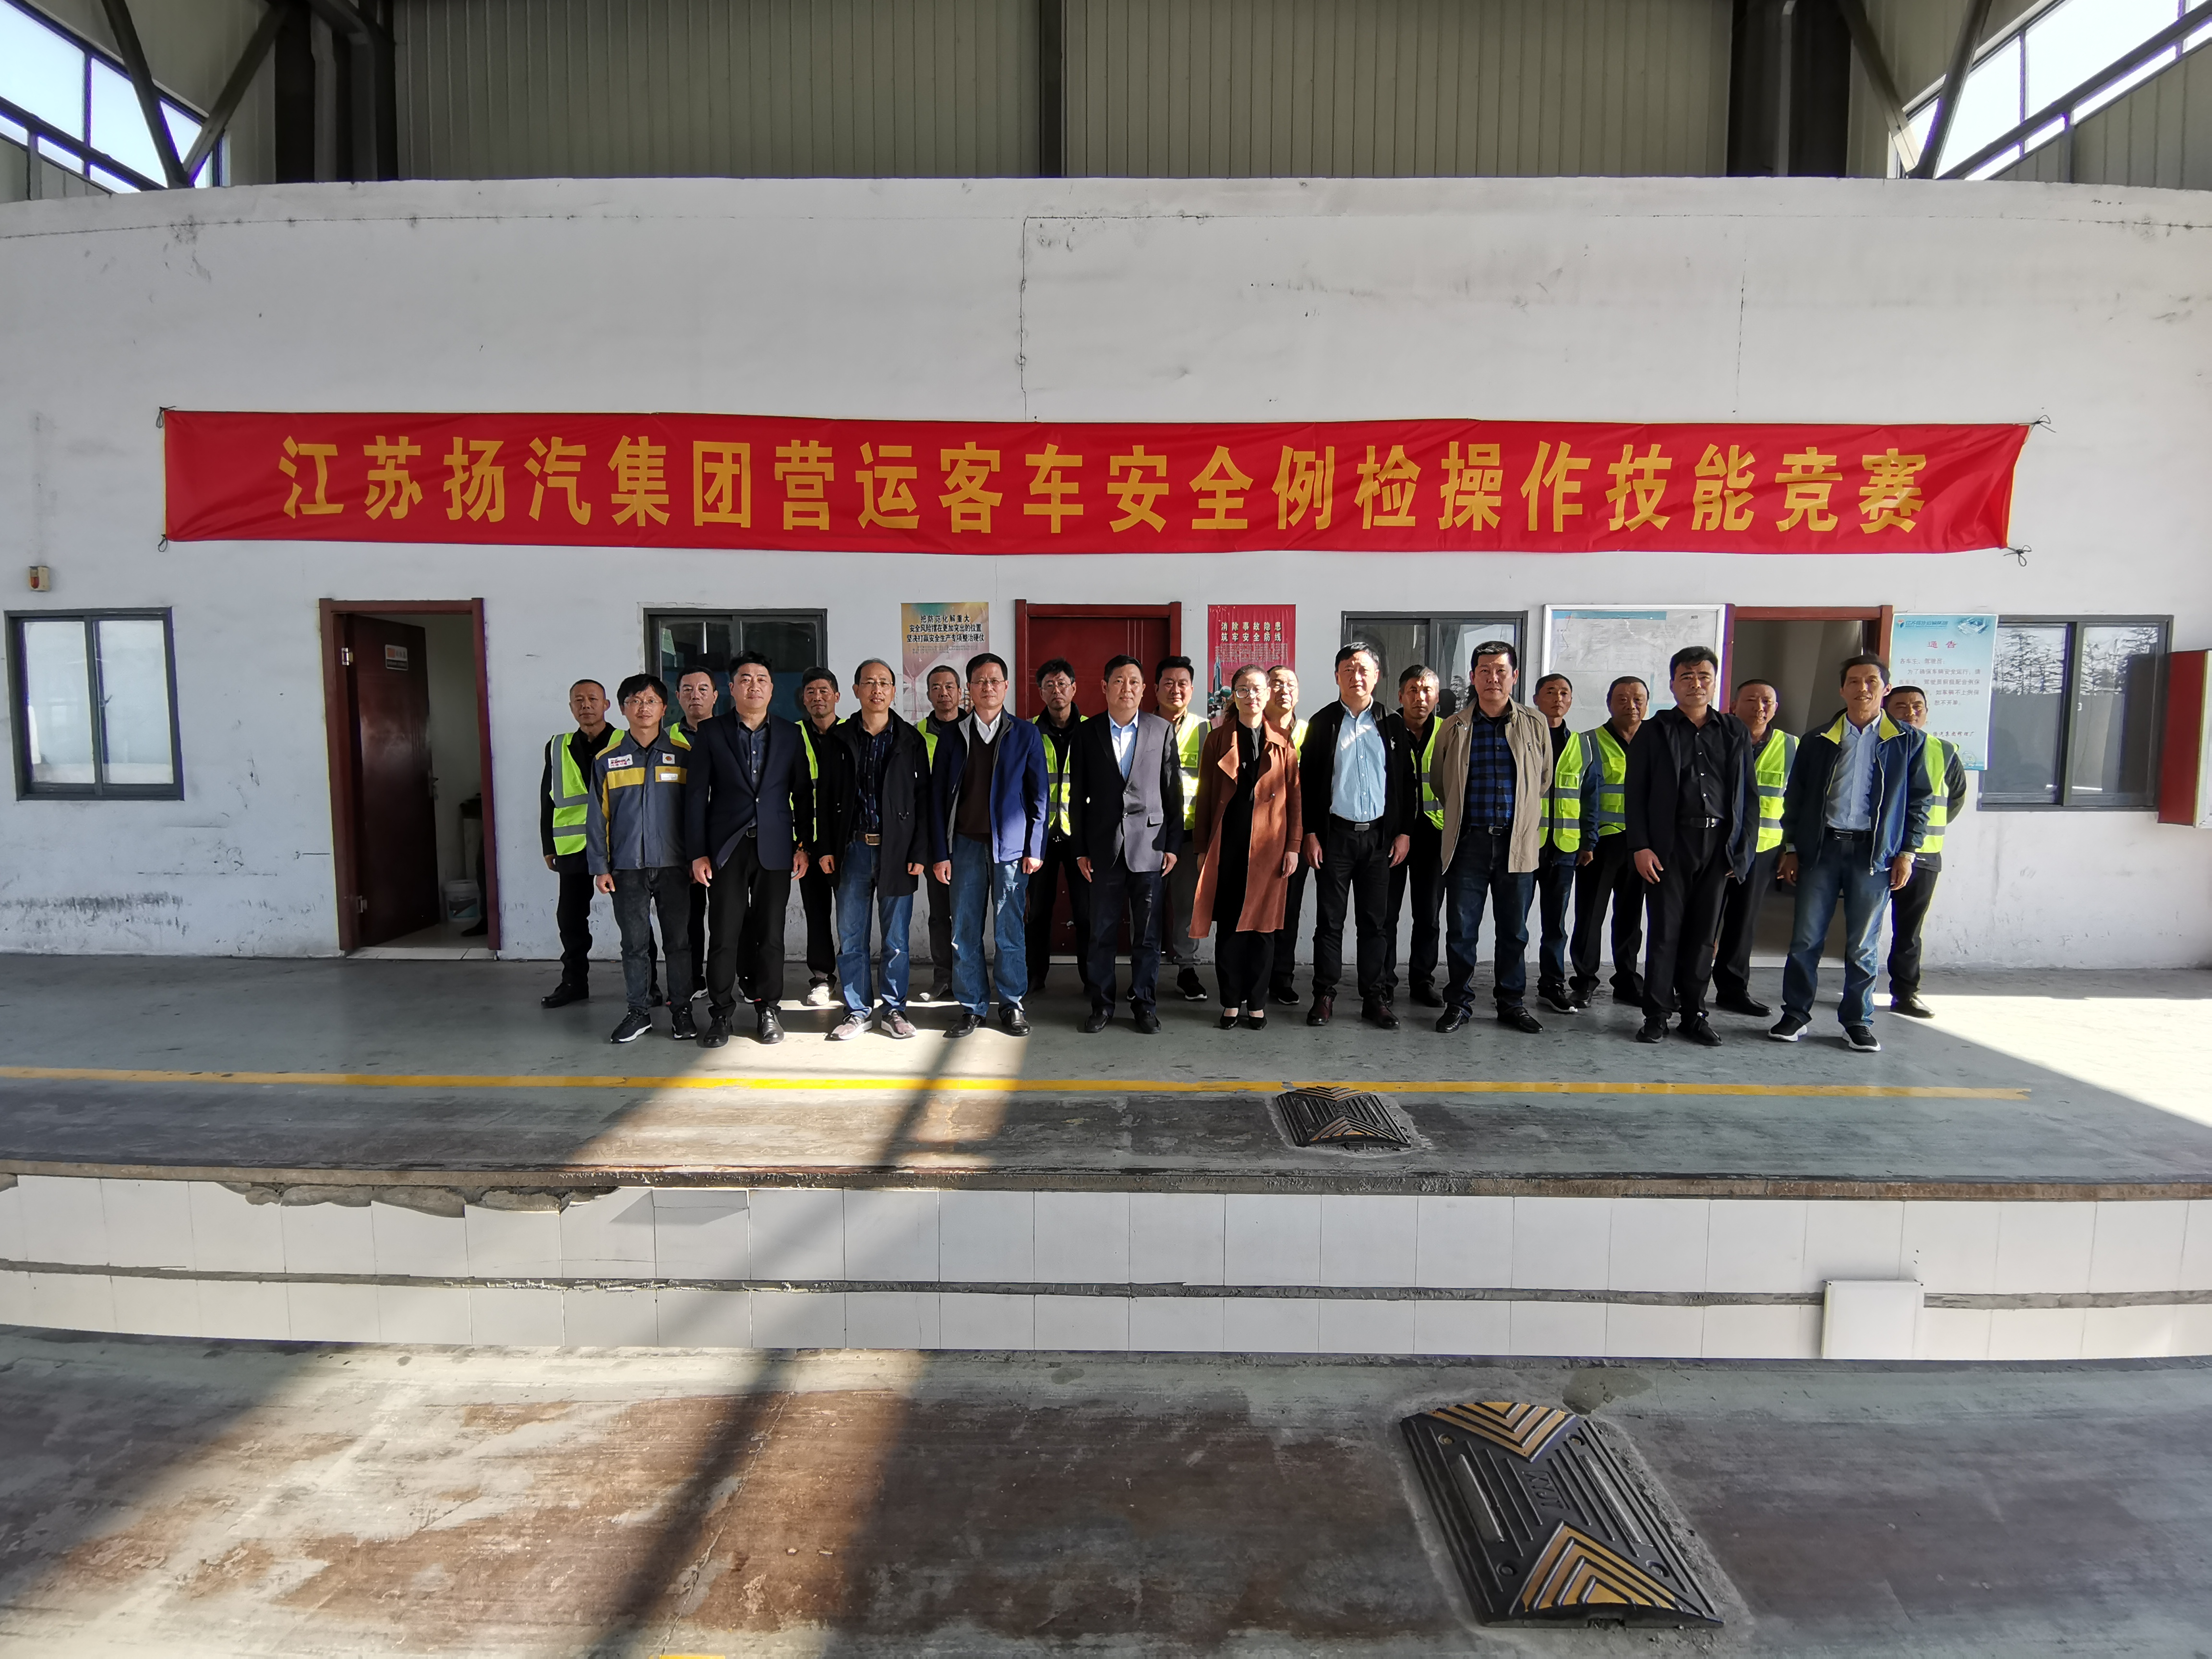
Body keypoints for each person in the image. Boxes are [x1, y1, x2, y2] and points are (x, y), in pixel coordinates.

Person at [1770, 654, 1932, 1053]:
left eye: (1872, 682)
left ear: (1885, 689)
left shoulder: (1908, 741)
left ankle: (1857, 1020)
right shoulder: (1818, 739)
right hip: (1822, 850)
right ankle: (1796, 1014)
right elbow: (1797, 797)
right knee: (1806, 939)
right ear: (1842, 689)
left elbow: (1920, 801)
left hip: (1873, 855)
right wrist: (1791, 847)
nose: (1863, 689)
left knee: (1863, 943)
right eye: (1855, 682)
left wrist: (1907, 852)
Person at [1624, 647, 1756, 1047]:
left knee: (1703, 937)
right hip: (1669, 846)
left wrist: (1741, 851)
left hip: (1717, 846)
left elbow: (1748, 797)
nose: (1696, 684)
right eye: (1687, 676)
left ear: (1715, 683)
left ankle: (1694, 1014)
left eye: (1703, 677)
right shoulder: (1654, 730)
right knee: (1665, 933)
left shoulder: (1734, 731)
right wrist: (1641, 846)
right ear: (1673, 684)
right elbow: (1636, 794)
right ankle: (1657, 1015)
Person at [685, 650, 814, 1048]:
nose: (753, 686)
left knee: (771, 935)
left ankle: (768, 1009)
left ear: (772, 689)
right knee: (724, 935)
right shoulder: (711, 732)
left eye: (761, 679)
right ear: (732, 688)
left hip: (775, 848)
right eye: (745, 679)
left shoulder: (790, 734)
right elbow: (696, 796)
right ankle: (721, 1013)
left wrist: (803, 845)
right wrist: (698, 852)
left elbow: (802, 794)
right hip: (727, 849)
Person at [1427, 641, 1552, 1035]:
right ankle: (1459, 1003)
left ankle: (1511, 1003)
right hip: (1469, 844)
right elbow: (1441, 783)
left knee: (1514, 931)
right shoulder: (1454, 726)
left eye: (1501, 670)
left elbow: (1543, 780)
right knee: (1461, 931)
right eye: (1484, 670)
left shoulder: (1535, 724)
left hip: (1517, 844)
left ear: (1514, 676)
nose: (1493, 678)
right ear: (1473, 677)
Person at [930, 652, 1048, 1038]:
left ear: (1006, 686)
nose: (988, 687)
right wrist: (940, 853)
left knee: (1009, 931)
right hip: (964, 845)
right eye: (980, 681)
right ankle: (972, 1006)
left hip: (1010, 849)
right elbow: (937, 799)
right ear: (969, 688)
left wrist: (1035, 847)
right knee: (964, 930)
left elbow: (1039, 796)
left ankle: (1012, 1004)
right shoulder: (953, 735)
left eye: (994, 680)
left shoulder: (1025, 734)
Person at [817, 659, 935, 1041]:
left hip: (897, 852)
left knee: (896, 939)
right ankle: (857, 1011)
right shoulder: (838, 738)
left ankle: (894, 1009)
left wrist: (919, 851)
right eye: (869, 682)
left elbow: (923, 800)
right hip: (852, 849)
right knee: (852, 937)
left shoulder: (910, 740)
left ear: (893, 691)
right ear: (856, 690)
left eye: (884, 683)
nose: (877, 689)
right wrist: (825, 847)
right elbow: (825, 797)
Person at [1301, 643, 1414, 1029]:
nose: (1356, 676)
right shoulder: (1322, 723)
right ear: (1337, 677)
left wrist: (1404, 832)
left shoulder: (1391, 723)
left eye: (1364, 669)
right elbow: (1307, 782)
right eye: (1348, 670)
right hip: (1335, 837)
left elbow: (1406, 782)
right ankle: (1324, 993)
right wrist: (1310, 833)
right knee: (1329, 922)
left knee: (1375, 923)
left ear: (1376, 676)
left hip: (1380, 839)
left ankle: (1374, 997)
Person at [1070, 654, 1183, 1034]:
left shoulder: (1160, 730)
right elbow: (1076, 797)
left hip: (1150, 847)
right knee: (1101, 933)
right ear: (1105, 687)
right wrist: (1080, 849)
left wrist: (1172, 845)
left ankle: (1144, 1005)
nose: (1127, 688)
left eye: (1134, 681)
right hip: (1103, 849)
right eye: (1119, 681)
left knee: (1148, 935)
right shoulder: (1086, 733)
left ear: (1144, 688)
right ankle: (1102, 1005)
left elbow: (1173, 792)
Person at [1188, 664, 1301, 1029]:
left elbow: (1295, 798)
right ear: (1233, 696)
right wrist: (1202, 847)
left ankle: (1258, 1004)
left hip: (1270, 847)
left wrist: (1294, 845)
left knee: (1264, 929)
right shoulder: (1217, 740)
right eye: (1242, 690)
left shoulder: (1283, 741)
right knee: (1230, 926)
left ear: (1267, 695)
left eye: (1257, 689)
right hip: (1229, 845)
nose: (1251, 696)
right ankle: (1230, 1002)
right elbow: (1205, 798)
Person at [585, 675, 696, 1044]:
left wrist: (696, 858)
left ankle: (682, 1011)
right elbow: (597, 817)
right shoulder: (607, 760)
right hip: (626, 868)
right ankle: (638, 1011)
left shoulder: (684, 755)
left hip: (675, 866)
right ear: (623, 709)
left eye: (651, 701)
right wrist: (600, 867)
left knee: (678, 943)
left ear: (664, 709)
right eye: (635, 701)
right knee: (634, 945)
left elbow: (697, 812)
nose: (643, 708)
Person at [1710, 679, 1795, 1018]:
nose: (1760, 707)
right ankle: (1687, 986)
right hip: (1716, 845)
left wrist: (1791, 848)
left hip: (1763, 848)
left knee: (1743, 921)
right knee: (1702, 920)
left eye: (1767, 701)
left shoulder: (1792, 747)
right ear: (1733, 705)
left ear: (1776, 708)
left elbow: (1800, 803)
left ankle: (1733, 990)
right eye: (1751, 700)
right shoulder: (1714, 738)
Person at [1882, 685, 1967, 1020]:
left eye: (1918, 706)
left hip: (1923, 855)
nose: (1911, 712)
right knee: (1862, 928)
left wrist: (1916, 837)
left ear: (1927, 713)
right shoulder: (1873, 745)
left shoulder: (1943, 752)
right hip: (1876, 852)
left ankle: (1905, 993)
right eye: (1901, 706)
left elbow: (1955, 800)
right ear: (1887, 711)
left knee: (1909, 930)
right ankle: (1855, 993)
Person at [1568, 675, 1649, 1010]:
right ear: (1609, 703)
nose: (1631, 705)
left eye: (1638, 699)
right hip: (1600, 843)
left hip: (1641, 844)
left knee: (1630, 916)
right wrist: (1585, 840)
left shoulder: (1656, 743)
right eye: (1623, 699)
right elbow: (1579, 794)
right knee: (1590, 915)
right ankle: (1584, 982)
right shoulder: (1588, 742)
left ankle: (1628, 980)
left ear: (1647, 703)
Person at [539, 678, 620, 1009]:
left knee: (632, 919)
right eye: (579, 700)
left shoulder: (625, 740)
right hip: (573, 847)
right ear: (571, 707)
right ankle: (574, 983)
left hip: (618, 845)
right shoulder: (557, 746)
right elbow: (548, 799)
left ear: (606, 705)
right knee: (570, 920)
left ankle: (648, 985)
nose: (586, 705)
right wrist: (548, 845)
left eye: (593, 699)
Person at [1026, 657, 1092, 1000]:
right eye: (1049, 685)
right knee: (1037, 911)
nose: (1057, 691)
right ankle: (1034, 975)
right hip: (1039, 837)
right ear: (1041, 692)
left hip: (1080, 836)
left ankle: (1091, 979)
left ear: (1074, 688)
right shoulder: (1027, 731)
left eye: (1062, 684)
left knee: (1086, 912)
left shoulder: (1092, 730)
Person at [1382, 664, 1446, 1009]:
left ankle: (1422, 980)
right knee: (1386, 914)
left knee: (1428, 915)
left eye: (1427, 691)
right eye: (1413, 690)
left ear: (1436, 697)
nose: (1420, 697)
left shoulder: (1449, 732)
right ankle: (1384, 981)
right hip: (1392, 836)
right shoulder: (1384, 729)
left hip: (1434, 836)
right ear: (1400, 695)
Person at [1155, 656, 1212, 1004]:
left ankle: (1187, 969)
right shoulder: (1141, 726)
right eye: (1168, 683)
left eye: (1182, 684)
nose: (1175, 690)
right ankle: (1144, 972)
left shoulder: (1206, 731)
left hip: (1190, 834)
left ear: (1192, 690)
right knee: (1145, 906)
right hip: (1149, 836)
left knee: (1187, 906)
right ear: (1156, 689)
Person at [1530, 673, 1585, 1015]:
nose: (1558, 698)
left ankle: (1551, 986)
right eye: (1550, 692)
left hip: (1565, 847)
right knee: (1515, 924)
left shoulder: (1582, 745)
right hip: (1526, 846)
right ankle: (1509, 987)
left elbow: (1590, 796)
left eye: (1564, 693)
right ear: (1536, 699)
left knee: (1556, 926)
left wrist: (1588, 841)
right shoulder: (1524, 739)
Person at [669, 668, 720, 1010]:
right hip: (682, 843)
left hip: (725, 839)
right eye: (687, 689)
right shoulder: (665, 741)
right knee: (689, 915)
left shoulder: (729, 733)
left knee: (730, 914)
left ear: (716, 695)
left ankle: (733, 976)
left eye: (703, 689)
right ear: (678, 697)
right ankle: (693, 978)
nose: (695, 695)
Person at [793, 667, 844, 1009]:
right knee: (816, 912)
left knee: (853, 914)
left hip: (845, 840)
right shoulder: (791, 735)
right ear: (803, 699)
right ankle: (822, 978)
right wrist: (798, 843)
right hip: (808, 843)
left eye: (824, 691)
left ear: (837, 696)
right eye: (811, 692)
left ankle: (855, 976)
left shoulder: (852, 732)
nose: (817, 697)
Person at [1263, 665, 1312, 1007]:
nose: (1284, 690)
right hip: (1258, 835)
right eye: (1277, 683)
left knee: (1289, 908)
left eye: (1290, 684)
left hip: (1297, 834)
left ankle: (1282, 977)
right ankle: (1254, 976)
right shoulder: (1254, 727)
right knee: (1255, 906)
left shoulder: (1311, 731)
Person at [917, 664, 965, 1003]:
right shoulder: (916, 735)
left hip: (969, 835)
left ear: (960, 692)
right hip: (933, 836)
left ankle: (967, 978)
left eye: (950, 686)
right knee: (939, 914)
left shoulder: (974, 730)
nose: (943, 693)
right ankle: (943, 977)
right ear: (928, 694)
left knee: (969, 914)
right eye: (936, 687)